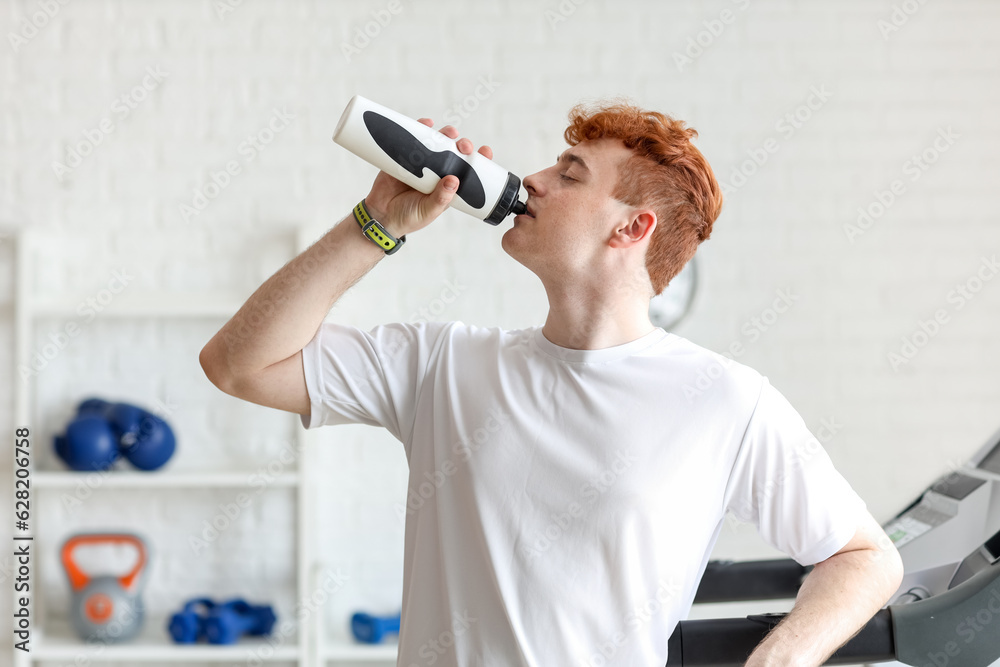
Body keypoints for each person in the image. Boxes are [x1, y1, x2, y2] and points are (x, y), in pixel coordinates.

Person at [200, 99, 903, 666]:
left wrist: (779, 660)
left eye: (570, 173)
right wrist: (377, 223)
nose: (531, 179)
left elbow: (865, 557)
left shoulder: (727, 401)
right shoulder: (442, 365)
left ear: (631, 227)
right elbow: (237, 362)